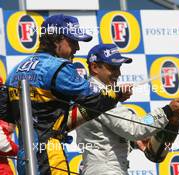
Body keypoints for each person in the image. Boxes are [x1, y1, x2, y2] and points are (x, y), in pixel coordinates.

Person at [5, 14, 124, 175]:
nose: (77, 48)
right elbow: (94, 99)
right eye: (73, 41)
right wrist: (116, 95)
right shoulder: (58, 67)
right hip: (49, 154)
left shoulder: (16, 70)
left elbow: (6, 115)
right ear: (56, 40)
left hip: (24, 156)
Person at [76, 43, 179, 175]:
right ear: (94, 67)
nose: (118, 73)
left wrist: (132, 143)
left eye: (119, 67)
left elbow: (106, 136)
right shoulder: (97, 94)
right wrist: (167, 111)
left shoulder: (98, 93)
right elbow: (135, 128)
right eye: (112, 68)